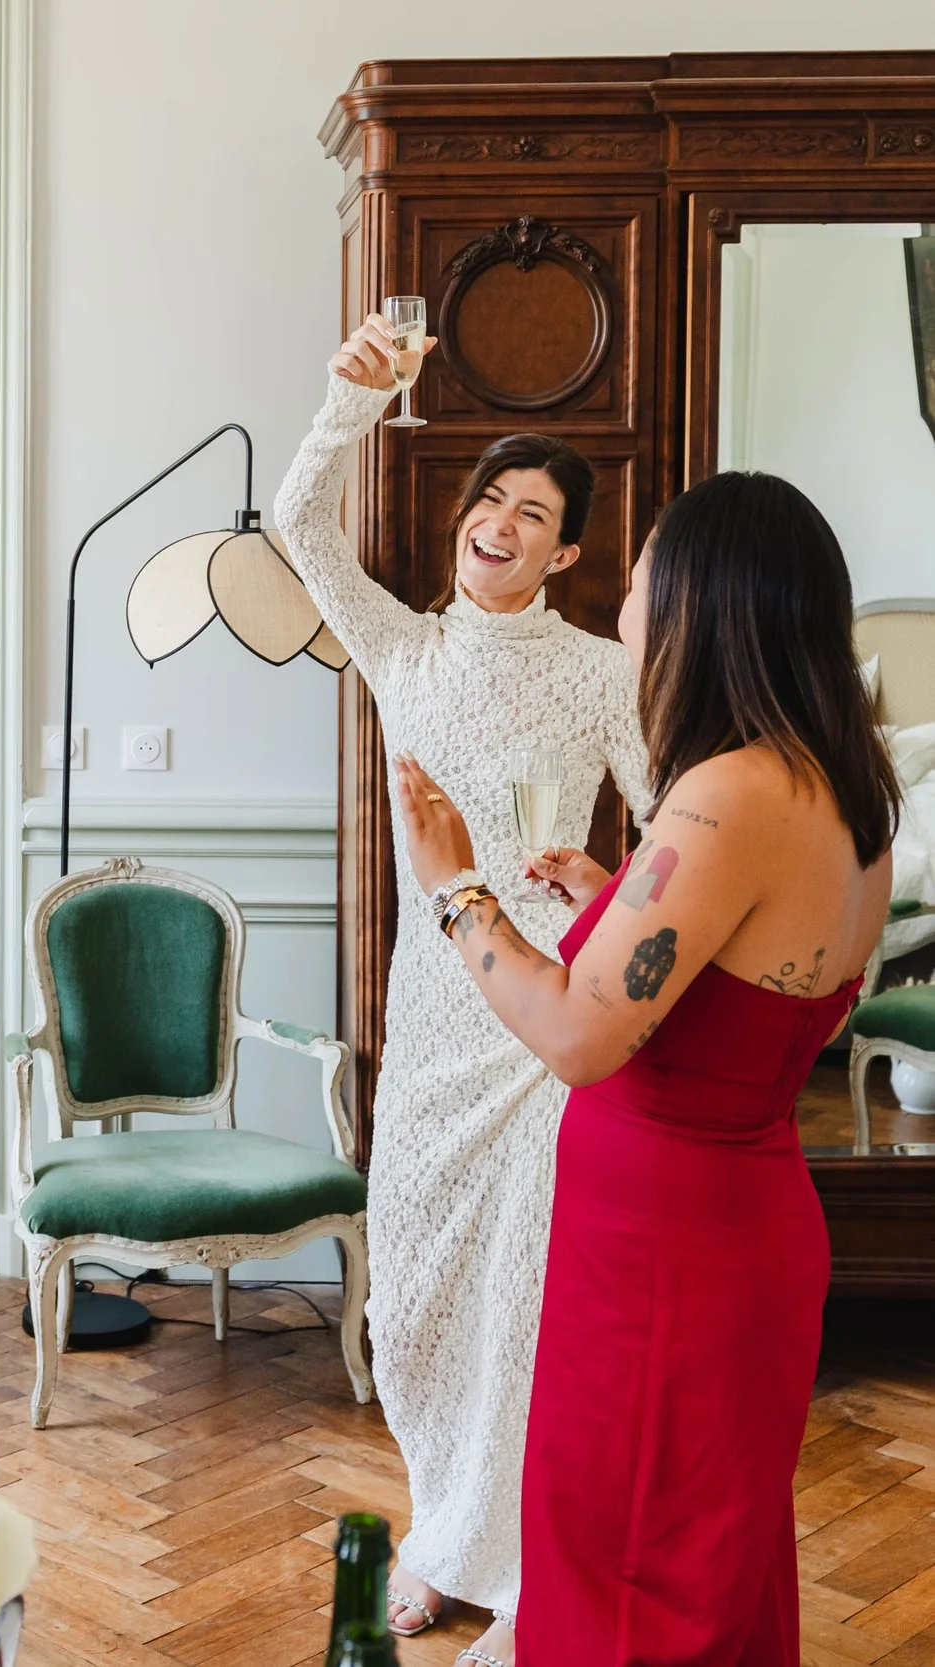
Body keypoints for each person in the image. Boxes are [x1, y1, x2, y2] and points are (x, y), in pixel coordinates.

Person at [394, 469, 897, 1664]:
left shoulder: (722, 795)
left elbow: (574, 1034)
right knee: (699, 1566)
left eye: (639, 583)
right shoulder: (849, 791)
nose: (625, 609)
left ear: (704, 606)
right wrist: (615, 898)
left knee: (625, 1572)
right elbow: (787, 1003)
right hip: (743, 1228)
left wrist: (455, 885)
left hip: (660, 1265)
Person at [270, 313, 653, 1662]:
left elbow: (671, 837)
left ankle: (529, 1550)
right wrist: (349, 397)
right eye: (490, 497)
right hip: (431, 1012)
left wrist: (603, 871)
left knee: (532, 1296)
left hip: (547, 1010)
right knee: (420, 1292)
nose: (498, 519)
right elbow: (298, 520)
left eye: (530, 510)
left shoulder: (609, 672)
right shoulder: (403, 647)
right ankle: (443, 1531)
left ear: (567, 552)